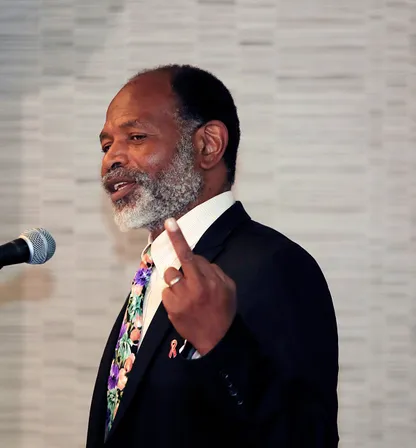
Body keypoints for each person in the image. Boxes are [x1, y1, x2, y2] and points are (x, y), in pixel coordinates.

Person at [86, 64, 339, 447]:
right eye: (106, 146)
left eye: (135, 137)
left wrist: (223, 344)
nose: (111, 160)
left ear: (208, 145)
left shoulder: (275, 266)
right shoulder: (153, 270)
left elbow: (308, 438)